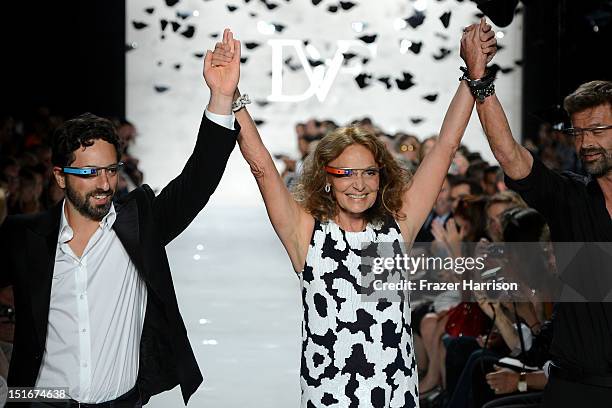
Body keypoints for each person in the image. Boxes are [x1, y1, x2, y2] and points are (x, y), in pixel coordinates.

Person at [211, 21, 497, 407]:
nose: (358, 184)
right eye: (346, 173)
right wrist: (231, 97)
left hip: (395, 397)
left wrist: (472, 76)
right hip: (328, 399)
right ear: (327, 178)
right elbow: (261, 164)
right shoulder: (306, 234)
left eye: (368, 173)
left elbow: (445, 146)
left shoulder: (399, 227)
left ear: (382, 178)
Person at [0, 35, 241, 406]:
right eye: (89, 172)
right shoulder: (24, 234)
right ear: (60, 177)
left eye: (111, 170)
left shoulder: (138, 224)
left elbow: (198, 180)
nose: (104, 183)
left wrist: (221, 99)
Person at [464, 24, 612, 407]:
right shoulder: (570, 199)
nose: (585, 144)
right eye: (577, 133)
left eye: (596, 130)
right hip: (573, 389)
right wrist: (480, 80)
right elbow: (510, 155)